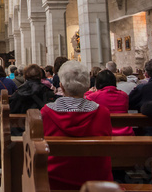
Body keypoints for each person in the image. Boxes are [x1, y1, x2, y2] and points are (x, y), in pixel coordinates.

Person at [41, 60, 113, 190]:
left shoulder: (46, 113)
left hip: (54, 181)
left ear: (61, 87)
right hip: (97, 182)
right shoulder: (103, 113)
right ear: (87, 86)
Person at [85, 70, 134, 136]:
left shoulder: (95, 96)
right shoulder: (124, 95)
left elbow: (83, 99)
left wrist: (89, 92)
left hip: (105, 133)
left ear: (98, 83)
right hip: (125, 132)